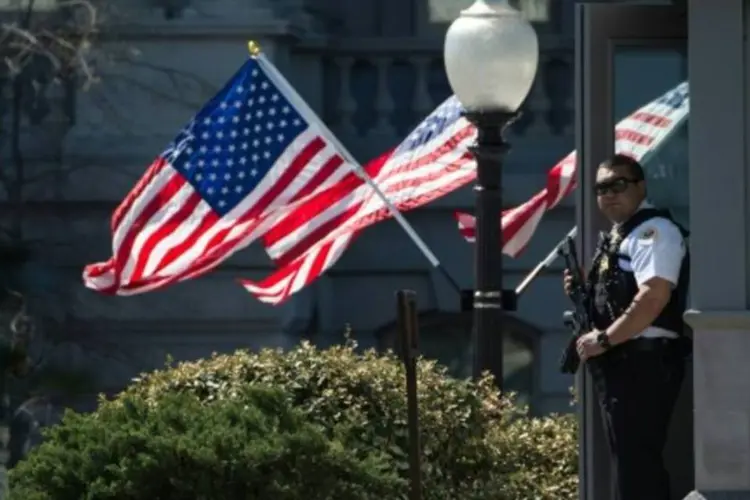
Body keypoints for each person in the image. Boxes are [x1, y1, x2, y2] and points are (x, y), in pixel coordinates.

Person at [563, 154, 690, 500]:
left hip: (644, 363)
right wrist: (584, 289)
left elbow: (653, 298)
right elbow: (619, 294)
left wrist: (604, 339)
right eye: (601, 188)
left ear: (640, 186)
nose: (610, 193)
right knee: (630, 463)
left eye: (619, 184)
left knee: (638, 465)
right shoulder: (621, 236)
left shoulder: (653, 232)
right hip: (624, 362)